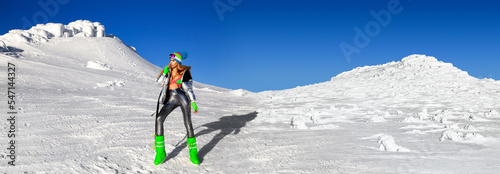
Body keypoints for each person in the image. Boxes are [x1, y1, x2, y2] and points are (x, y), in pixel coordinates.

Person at [154, 51, 200, 165]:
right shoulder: (168, 72)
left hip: (182, 97)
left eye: (173, 60)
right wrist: (164, 73)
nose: (171, 62)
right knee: (159, 118)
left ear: (178, 62)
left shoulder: (185, 72)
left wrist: (193, 101)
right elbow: (158, 83)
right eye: (170, 60)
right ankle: (160, 152)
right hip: (171, 98)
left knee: (187, 122)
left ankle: (193, 152)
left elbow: (189, 88)